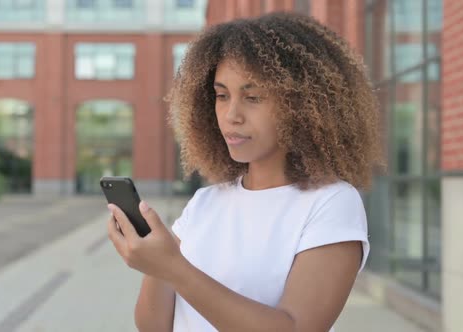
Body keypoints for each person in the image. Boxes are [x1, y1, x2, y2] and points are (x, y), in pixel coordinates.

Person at [106, 11, 383, 332]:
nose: (231, 114)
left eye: (253, 97)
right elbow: (154, 326)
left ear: (305, 106)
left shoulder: (332, 202)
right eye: (222, 95)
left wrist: (173, 267)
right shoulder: (205, 202)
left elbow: (295, 328)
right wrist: (156, 264)